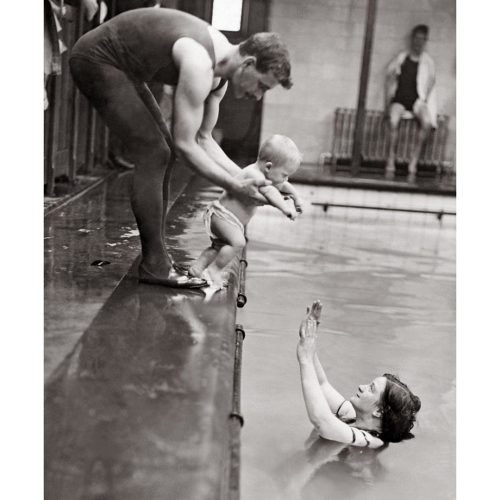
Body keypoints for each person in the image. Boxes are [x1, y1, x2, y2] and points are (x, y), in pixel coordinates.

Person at [69, 8, 292, 288]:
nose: (258, 96)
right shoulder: (200, 62)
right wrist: (237, 187)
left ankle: (157, 260)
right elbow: (186, 145)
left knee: (164, 152)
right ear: (248, 63)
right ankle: (155, 265)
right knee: (154, 152)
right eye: (261, 85)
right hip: (97, 58)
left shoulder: (219, 78)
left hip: (126, 69)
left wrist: (256, 182)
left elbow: (203, 139)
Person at [297, 301, 421, 448]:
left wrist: (306, 359)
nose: (361, 386)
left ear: (379, 411)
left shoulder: (368, 440)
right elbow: (322, 385)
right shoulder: (353, 416)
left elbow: (321, 421)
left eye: (371, 388)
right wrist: (309, 339)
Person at [188, 134, 303, 290]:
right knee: (238, 242)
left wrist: (297, 199)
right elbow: (271, 192)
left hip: (225, 218)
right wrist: (285, 209)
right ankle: (214, 271)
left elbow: (283, 188)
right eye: (284, 175)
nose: (285, 180)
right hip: (223, 216)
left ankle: (197, 268)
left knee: (218, 248)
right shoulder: (254, 175)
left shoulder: (266, 174)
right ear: (268, 167)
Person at [384, 25, 437, 183]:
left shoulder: (427, 61)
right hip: (399, 99)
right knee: (392, 122)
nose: (418, 42)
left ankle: (413, 160)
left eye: (422, 39)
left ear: (425, 41)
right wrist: (387, 102)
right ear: (412, 39)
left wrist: (425, 100)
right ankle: (391, 158)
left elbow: (432, 81)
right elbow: (389, 76)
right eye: (416, 38)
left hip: (416, 100)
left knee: (427, 123)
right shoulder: (402, 57)